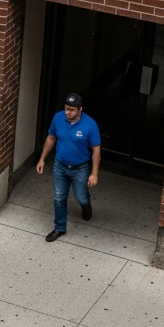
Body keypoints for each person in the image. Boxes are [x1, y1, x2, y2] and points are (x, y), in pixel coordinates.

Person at [36, 93, 101, 242]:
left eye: (71, 110)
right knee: (59, 198)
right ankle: (59, 228)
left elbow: (96, 150)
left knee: (81, 196)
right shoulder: (58, 118)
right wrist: (42, 159)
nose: (67, 112)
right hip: (60, 166)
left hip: (80, 168)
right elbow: (51, 138)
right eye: (66, 109)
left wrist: (94, 173)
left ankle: (86, 206)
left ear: (80, 109)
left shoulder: (90, 125)